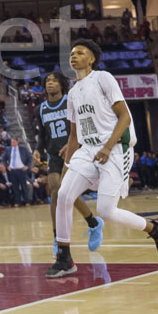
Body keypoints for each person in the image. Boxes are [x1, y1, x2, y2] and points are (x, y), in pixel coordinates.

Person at [48, 40, 158, 278]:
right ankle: (64, 258)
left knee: (106, 210)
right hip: (87, 150)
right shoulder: (73, 92)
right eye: (72, 53)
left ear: (92, 59)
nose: (74, 56)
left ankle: (157, 230)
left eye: (80, 53)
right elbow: (74, 135)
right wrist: (67, 168)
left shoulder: (103, 78)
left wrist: (107, 147)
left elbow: (124, 117)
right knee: (64, 194)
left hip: (116, 147)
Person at [35, 71, 103, 251]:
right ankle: (58, 237)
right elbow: (42, 135)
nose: (50, 83)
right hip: (53, 155)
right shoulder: (41, 109)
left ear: (61, 84)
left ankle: (93, 223)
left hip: (75, 152)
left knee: (65, 191)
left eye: (54, 80)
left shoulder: (70, 101)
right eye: (48, 80)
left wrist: (71, 144)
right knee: (56, 191)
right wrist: (37, 150)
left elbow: (83, 125)